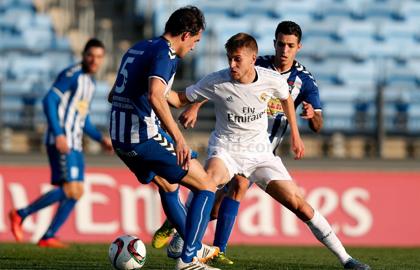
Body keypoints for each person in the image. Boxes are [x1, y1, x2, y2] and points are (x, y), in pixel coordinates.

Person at [161, 32, 371, 270]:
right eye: (229, 58)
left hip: (261, 153)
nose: (231, 64)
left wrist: (295, 134)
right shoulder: (217, 80)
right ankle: (188, 252)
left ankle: (346, 259)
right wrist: (159, 83)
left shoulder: (272, 79)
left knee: (299, 204)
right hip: (226, 150)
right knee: (208, 184)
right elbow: (178, 99)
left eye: (237, 59)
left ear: (253, 59)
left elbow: (286, 99)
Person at [153, 20, 324, 259]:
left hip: (263, 148)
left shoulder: (305, 80)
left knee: (219, 202)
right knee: (228, 187)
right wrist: (196, 106)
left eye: (290, 46)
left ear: (298, 48)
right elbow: (220, 85)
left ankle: (181, 226)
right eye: (281, 44)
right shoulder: (254, 63)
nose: (284, 50)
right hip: (234, 143)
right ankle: (208, 244)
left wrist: (309, 116)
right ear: (274, 43)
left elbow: (318, 124)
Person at [108, 6, 221, 270]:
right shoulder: (165, 54)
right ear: (185, 35)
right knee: (206, 185)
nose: (194, 47)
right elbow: (155, 96)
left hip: (120, 138)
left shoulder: (139, 48)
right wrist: (179, 139)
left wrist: (189, 98)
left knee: (169, 186)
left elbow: (115, 94)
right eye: (195, 40)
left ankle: (186, 242)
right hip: (142, 138)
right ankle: (188, 258)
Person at [9, 38, 113, 248]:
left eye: (99, 57)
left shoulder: (91, 83)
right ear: (83, 55)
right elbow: (49, 100)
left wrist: (100, 139)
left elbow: (83, 119)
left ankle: (48, 236)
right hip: (61, 140)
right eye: (91, 55)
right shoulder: (72, 74)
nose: (94, 60)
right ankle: (20, 214)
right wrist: (58, 133)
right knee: (69, 190)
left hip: (75, 143)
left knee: (77, 191)